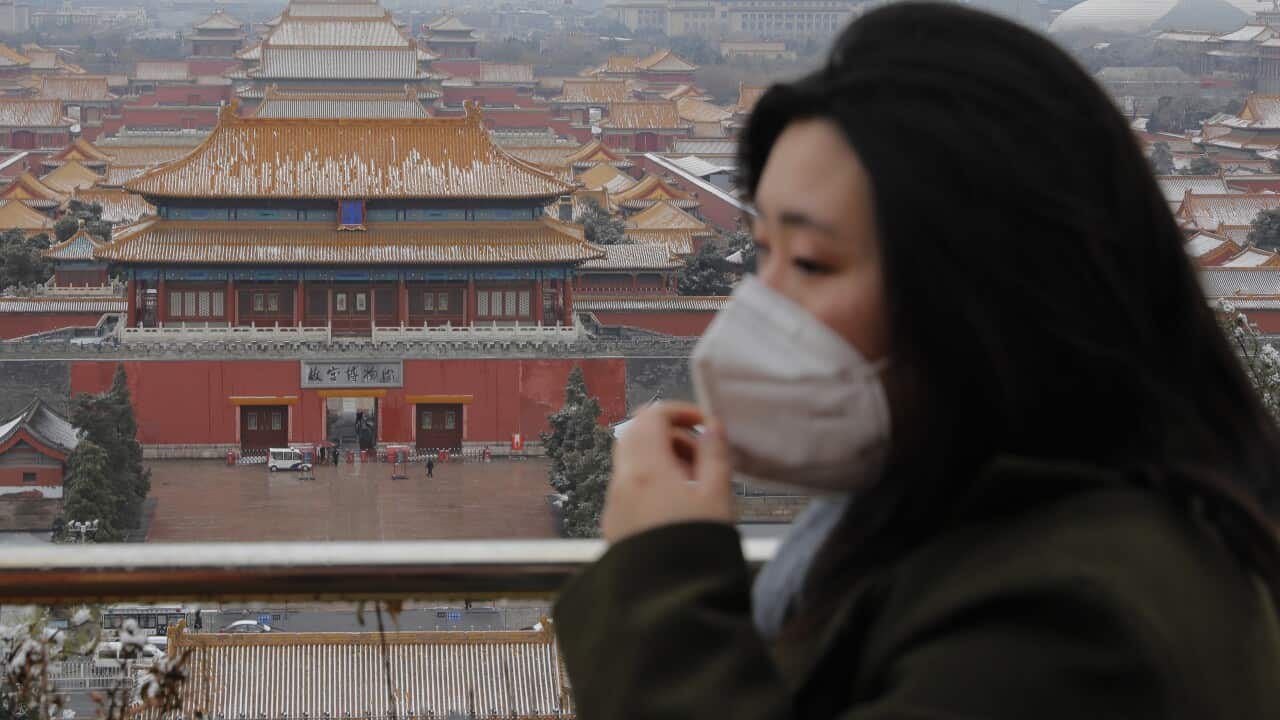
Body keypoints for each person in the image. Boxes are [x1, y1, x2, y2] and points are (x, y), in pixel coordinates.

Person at [551, 4, 1280, 718]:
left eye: (809, 260)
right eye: (762, 252)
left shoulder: (1073, 624)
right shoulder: (924, 520)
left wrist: (663, 579)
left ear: (989, 284)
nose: (757, 307)